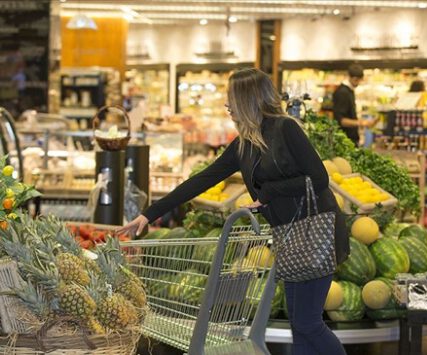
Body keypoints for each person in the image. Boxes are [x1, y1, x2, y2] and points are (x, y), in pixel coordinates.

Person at [118, 68, 349, 355]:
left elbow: (319, 178)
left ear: (248, 100)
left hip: (316, 232)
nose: (227, 106)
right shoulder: (243, 146)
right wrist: (148, 215)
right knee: (300, 324)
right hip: (289, 236)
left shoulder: (285, 128)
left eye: (231, 99)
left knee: (308, 323)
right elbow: (201, 180)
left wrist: (268, 193)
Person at [332, 63, 375, 146]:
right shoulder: (343, 93)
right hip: (345, 140)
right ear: (349, 77)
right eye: (355, 80)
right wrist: (362, 123)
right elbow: (341, 120)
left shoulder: (349, 91)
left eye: (359, 80)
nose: (357, 83)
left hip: (349, 139)